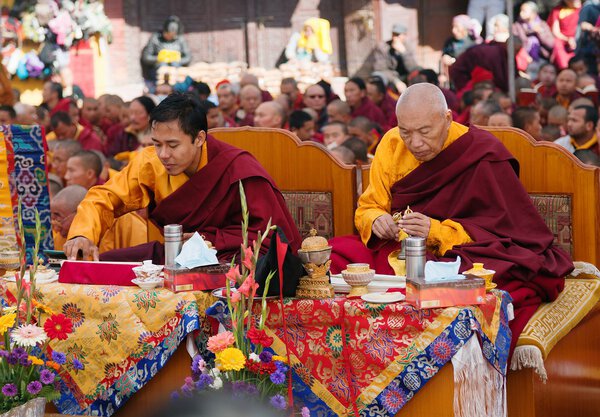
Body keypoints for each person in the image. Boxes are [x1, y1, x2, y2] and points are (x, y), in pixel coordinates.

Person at [329, 83, 573, 352]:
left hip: (459, 255)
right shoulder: (391, 144)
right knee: (336, 255)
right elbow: (368, 207)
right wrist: (376, 219)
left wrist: (434, 229)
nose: (415, 143)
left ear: (447, 119)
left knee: (485, 280)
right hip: (399, 251)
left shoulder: (480, 152)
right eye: (406, 132)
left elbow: (501, 230)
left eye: (424, 132)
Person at [63, 93, 301, 263]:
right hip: (175, 258)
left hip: (228, 261)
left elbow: (274, 237)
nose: (164, 154)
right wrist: (83, 234)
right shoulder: (151, 163)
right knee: (102, 264)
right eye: (157, 144)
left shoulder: (237, 168)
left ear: (199, 139)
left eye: (173, 145)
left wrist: (209, 240)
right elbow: (105, 197)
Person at [141, 16, 191, 93]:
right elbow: (146, 57)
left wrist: (177, 60)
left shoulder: (180, 39)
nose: (169, 37)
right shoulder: (155, 38)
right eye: (168, 34)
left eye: (172, 35)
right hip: (158, 73)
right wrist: (159, 58)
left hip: (176, 73)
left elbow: (188, 57)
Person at [513, 2, 554, 75]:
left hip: (541, 59)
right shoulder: (517, 26)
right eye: (521, 10)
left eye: (524, 11)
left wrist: (540, 33)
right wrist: (530, 31)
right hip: (524, 60)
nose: (521, 13)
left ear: (533, 13)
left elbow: (551, 44)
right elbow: (517, 44)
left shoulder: (542, 24)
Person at [51, 185, 88, 251]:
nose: (55, 228)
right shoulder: (56, 238)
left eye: (58, 216)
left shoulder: (92, 238)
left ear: (78, 214)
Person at [548, 0, 582, 69]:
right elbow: (556, 32)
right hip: (563, 42)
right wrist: (567, 39)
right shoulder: (558, 10)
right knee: (557, 44)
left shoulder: (584, 9)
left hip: (579, 41)